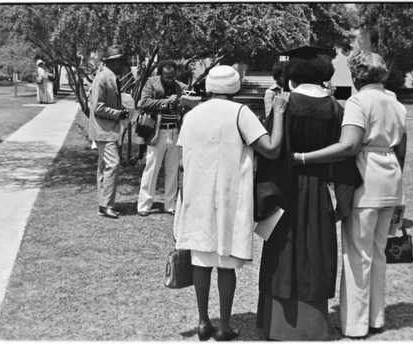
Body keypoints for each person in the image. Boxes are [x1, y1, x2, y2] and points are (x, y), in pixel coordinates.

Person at [291, 51, 407, 338]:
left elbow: (348, 145)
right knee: (378, 253)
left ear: (356, 75)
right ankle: (375, 317)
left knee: (357, 255)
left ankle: (355, 324)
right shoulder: (395, 103)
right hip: (391, 179)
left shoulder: (359, 101)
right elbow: (402, 149)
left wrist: (303, 157)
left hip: (366, 180)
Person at [173, 65, 289, 341]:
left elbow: (180, 162)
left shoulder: (191, 114)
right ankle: (224, 326)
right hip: (230, 195)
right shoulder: (240, 113)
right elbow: (271, 149)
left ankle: (203, 322)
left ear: (209, 86)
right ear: (235, 88)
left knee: (200, 260)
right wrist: (279, 114)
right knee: (226, 263)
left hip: (196, 193)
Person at [256, 56, 358, 341]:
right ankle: (312, 327)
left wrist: (263, 198)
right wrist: (342, 198)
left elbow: (270, 153)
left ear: (292, 78)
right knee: (315, 251)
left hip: (285, 189)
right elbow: (345, 158)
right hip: (318, 190)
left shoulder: (286, 106)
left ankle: (279, 326)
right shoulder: (336, 109)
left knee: (283, 251)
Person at [136, 60, 187, 216]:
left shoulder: (181, 87)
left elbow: (185, 108)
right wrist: (166, 102)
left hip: (175, 132)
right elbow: (144, 102)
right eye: (166, 76)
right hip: (157, 132)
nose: (170, 79)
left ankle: (170, 205)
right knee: (151, 169)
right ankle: (144, 206)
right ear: (160, 74)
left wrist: (182, 103)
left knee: (172, 171)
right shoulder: (151, 83)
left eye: (172, 76)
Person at [88, 46, 130, 219]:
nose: (123, 64)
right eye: (120, 61)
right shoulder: (103, 78)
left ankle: (103, 204)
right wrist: (118, 114)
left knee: (105, 166)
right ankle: (107, 205)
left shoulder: (111, 77)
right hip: (103, 130)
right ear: (112, 62)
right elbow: (97, 107)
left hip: (107, 129)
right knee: (113, 164)